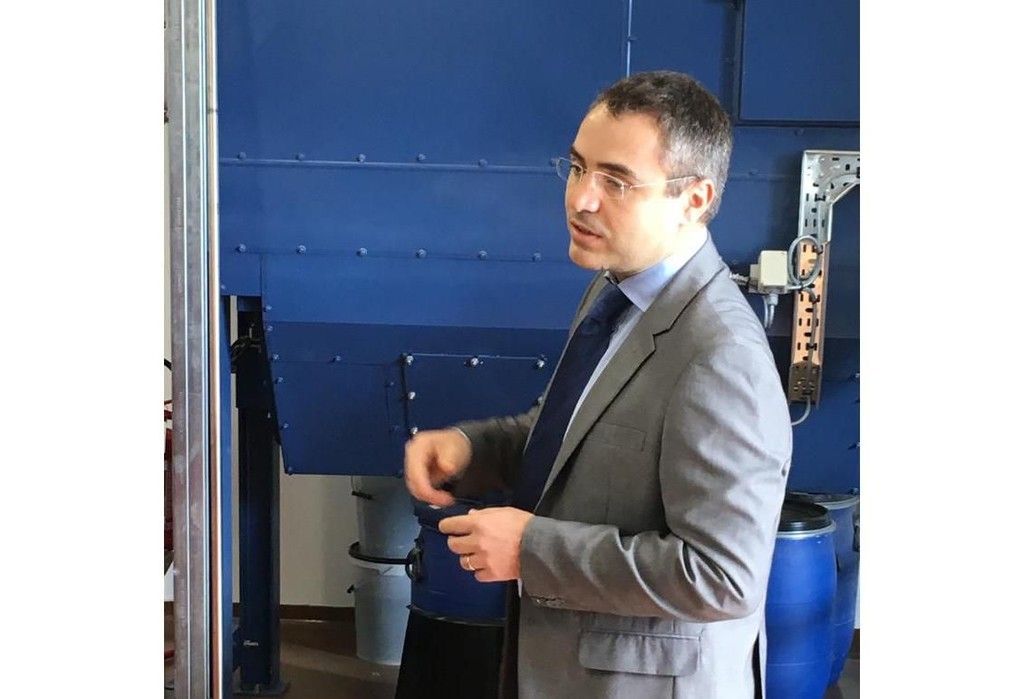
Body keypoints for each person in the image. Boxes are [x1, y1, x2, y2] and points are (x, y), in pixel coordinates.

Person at [404, 70, 791, 699]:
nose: (581, 199)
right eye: (579, 167)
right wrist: (473, 450)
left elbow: (723, 576)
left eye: (617, 181)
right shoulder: (615, 292)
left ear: (694, 199)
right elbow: (568, 436)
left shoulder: (721, 355)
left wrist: (533, 551)